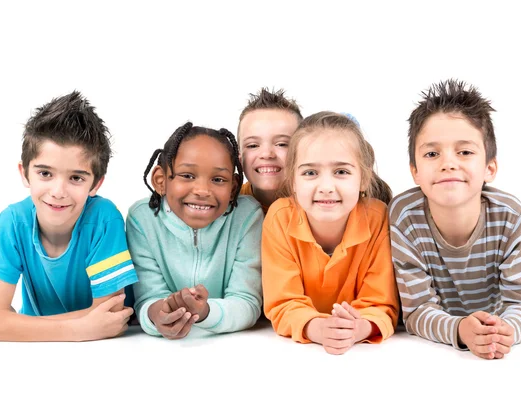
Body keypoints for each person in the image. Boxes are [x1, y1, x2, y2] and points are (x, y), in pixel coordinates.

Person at [389, 79, 521, 359]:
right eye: (432, 153)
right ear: (415, 172)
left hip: (491, 330)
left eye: (465, 152)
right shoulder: (404, 216)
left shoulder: (510, 215)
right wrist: (460, 329)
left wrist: (506, 329)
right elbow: (416, 310)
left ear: (489, 168)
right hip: (423, 349)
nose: (448, 163)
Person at [0, 91, 138, 342]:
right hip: (35, 352)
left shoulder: (104, 220)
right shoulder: (13, 222)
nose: (58, 192)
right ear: (25, 173)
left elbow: (111, 318)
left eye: (76, 178)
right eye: (45, 174)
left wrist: (18, 324)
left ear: (95, 184)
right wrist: (81, 329)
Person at [262, 111, 399, 355]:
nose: (326, 187)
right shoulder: (280, 218)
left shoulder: (379, 218)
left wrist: (359, 328)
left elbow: (381, 302)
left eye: (341, 172)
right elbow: (283, 302)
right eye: (310, 173)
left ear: (364, 179)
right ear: (292, 180)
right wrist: (317, 328)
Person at [127, 122, 263, 339]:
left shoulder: (247, 217)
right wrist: (159, 314)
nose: (202, 190)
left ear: (233, 188)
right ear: (160, 181)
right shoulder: (142, 219)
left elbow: (247, 301)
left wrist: (204, 311)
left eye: (218, 179)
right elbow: (148, 297)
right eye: (187, 176)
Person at [238, 87, 302, 214]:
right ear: (239, 158)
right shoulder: (226, 205)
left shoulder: (319, 203)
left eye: (282, 144)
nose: (267, 154)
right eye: (252, 145)